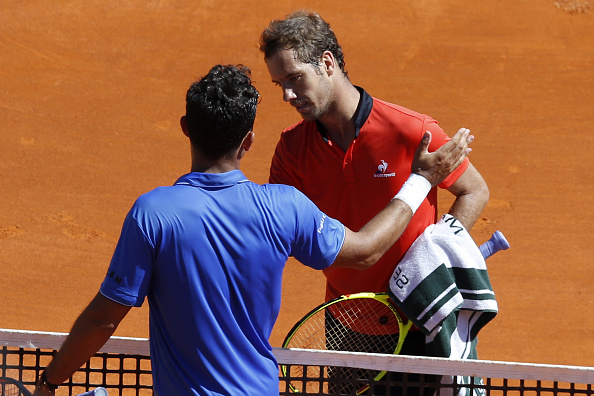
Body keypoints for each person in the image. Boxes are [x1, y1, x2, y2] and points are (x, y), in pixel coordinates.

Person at [32, 64, 472, 396]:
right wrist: (421, 182)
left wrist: (51, 382)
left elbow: (102, 320)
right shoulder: (284, 208)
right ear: (247, 142)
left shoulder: (153, 214)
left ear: (186, 129)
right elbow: (366, 250)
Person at [259, 10, 490, 361]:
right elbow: (277, 233)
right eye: (280, 84)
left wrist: (438, 253)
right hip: (345, 321)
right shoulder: (292, 149)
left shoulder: (410, 131)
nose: (288, 95)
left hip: (423, 318)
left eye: (295, 78)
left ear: (327, 63)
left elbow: (474, 190)